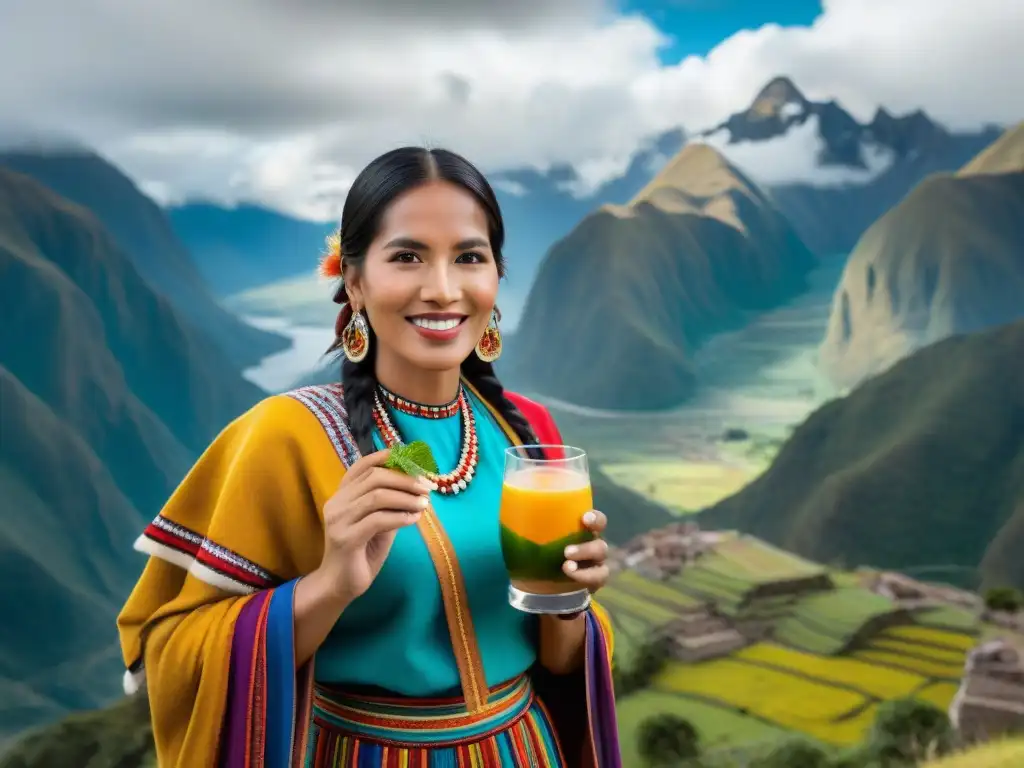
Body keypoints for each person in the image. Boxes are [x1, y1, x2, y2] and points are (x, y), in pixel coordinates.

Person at [117, 146, 622, 767]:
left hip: (525, 750)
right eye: (407, 257)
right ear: (353, 281)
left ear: (496, 275)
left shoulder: (528, 436)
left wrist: (568, 599)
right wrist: (331, 585)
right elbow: (172, 649)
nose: (442, 290)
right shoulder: (286, 436)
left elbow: (561, 664)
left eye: (469, 257)